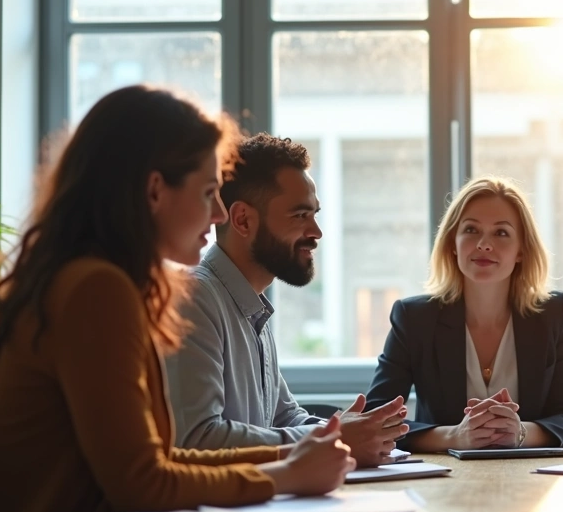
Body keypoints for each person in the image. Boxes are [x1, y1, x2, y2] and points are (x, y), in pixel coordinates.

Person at [0, 86, 355, 512]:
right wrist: (287, 474)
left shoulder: (103, 281)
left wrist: (292, 455)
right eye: (208, 194)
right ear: (155, 189)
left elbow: (158, 458)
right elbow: (143, 483)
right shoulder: (96, 288)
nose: (221, 215)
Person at [166, 133, 408, 466]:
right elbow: (198, 439)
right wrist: (334, 438)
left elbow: (283, 417)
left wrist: (350, 432)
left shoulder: (251, 306)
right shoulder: (195, 299)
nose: (316, 232)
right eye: (299, 216)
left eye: (315, 214)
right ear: (243, 220)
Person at [365, 177, 563, 452]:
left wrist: (518, 432)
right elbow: (375, 419)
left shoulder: (553, 313)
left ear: (521, 251)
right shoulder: (414, 318)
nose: (484, 244)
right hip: (443, 480)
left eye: (501, 233)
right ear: (452, 244)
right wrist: (454, 437)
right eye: (471, 230)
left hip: (532, 476)